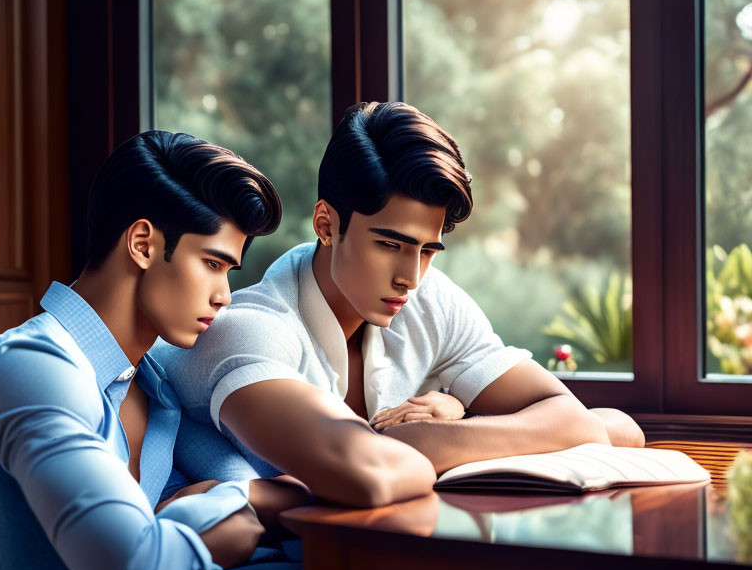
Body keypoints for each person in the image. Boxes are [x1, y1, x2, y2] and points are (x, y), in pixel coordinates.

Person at [153, 101, 645, 506]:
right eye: (389, 244)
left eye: (427, 249)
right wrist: (425, 439)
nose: (410, 277)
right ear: (326, 225)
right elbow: (369, 470)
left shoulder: (430, 301)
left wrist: (455, 419)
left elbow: (593, 423)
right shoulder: (249, 330)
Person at [0, 130, 311, 570]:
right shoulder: (32, 369)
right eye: (213, 264)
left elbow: (272, 485)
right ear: (142, 244)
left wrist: (235, 497)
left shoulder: (153, 383)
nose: (225, 295)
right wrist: (234, 502)